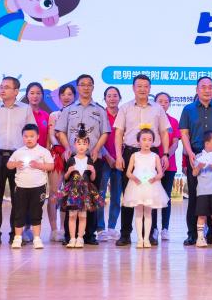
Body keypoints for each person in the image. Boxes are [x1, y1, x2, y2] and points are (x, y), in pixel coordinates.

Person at [111, 75, 170, 247]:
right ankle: (125, 234)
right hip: (131, 153)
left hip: (152, 154)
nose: (143, 89)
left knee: (151, 194)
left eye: (146, 86)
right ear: (133, 88)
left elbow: (164, 132)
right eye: (139, 86)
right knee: (129, 194)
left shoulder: (158, 109)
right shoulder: (125, 108)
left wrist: (165, 154)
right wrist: (119, 156)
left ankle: (149, 235)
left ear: (150, 88)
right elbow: (118, 133)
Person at [54, 75, 110, 245]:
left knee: (91, 196)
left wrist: (96, 149)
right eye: (82, 85)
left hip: (93, 158)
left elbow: (105, 132)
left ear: (93, 87)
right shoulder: (68, 109)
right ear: (78, 87)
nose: (86, 87)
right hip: (73, 158)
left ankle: (89, 235)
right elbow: (60, 131)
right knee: (72, 196)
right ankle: (69, 236)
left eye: (89, 85)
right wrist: (67, 147)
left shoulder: (100, 110)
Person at [0, 76, 36, 246]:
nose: (2, 90)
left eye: (6, 87)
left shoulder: (26, 109)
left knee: (18, 198)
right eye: (0, 87)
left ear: (16, 91)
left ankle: (15, 234)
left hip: (18, 157)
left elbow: (31, 132)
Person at [179, 76, 212, 246]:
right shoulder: (188, 109)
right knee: (195, 197)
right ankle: (193, 234)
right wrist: (189, 153)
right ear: (197, 90)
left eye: (210, 87)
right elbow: (184, 134)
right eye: (203, 87)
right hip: (196, 156)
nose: (207, 90)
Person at [6, 124, 54, 249]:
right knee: (19, 212)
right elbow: (9, 165)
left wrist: (38, 165)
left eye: (32, 136)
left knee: (36, 212)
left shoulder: (43, 151)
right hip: (21, 187)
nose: (29, 139)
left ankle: (37, 238)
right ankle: (17, 238)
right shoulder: (18, 152)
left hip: (38, 187)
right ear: (22, 137)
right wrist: (15, 164)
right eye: (26, 136)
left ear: (38, 136)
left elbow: (50, 166)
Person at [121, 129, 169, 248]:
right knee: (138, 213)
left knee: (148, 213)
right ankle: (139, 239)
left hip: (150, 187)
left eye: (149, 140)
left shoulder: (155, 156)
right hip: (137, 187)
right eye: (144, 139)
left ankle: (146, 239)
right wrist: (134, 178)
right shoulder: (134, 156)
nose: (147, 142)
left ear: (153, 141)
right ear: (138, 141)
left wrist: (155, 178)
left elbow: (160, 173)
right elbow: (128, 172)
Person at [58, 128, 105, 248]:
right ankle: (72, 238)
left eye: (84, 143)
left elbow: (93, 179)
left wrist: (93, 171)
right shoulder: (71, 160)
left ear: (88, 145)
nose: (81, 146)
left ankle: (80, 238)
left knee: (83, 216)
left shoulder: (89, 160)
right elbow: (66, 178)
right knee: (72, 215)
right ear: (74, 144)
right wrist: (69, 171)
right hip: (73, 192)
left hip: (85, 192)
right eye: (79, 143)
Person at [20, 82, 51, 243]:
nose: (35, 96)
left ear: (42, 96)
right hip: (25, 161)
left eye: (38, 93)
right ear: (27, 95)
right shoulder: (22, 113)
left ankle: (34, 228)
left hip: (40, 162)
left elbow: (48, 140)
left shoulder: (46, 116)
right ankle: (23, 229)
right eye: (32, 93)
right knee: (24, 197)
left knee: (38, 198)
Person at [45, 83, 75, 242]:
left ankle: (64, 229)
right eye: (63, 94)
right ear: (59, 97)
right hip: (57, 155)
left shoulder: (77, 114)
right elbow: (51, 134)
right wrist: (60, 148)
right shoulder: (54, 115)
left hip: (73, 156)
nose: (66, 97)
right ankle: (54, 229)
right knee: (54, 193)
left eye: (70, 94)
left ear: (74, 96)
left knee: (67, 194)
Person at [96, 86, 123, 239]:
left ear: (120, 98)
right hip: (103, 160)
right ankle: (100, 228)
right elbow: (97, 138)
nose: (112, 98)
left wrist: (119, 157)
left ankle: (112, 227)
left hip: (120, 161)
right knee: (100, 194)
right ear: (104, 98)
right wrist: (108, 157)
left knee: (116, 195)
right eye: (109, 96)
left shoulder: (124, 114)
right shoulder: (100, 115)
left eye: (115, 95)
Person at [191, 130, 212, 248]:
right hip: (203, 191)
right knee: (202, 215)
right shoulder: (198, 157)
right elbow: (194, 173)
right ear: (207, 143)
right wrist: (199, 166)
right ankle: (200, 238)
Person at [156, 92, 181, 241]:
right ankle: (153, 228)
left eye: (166, 102)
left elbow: (175, 143)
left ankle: (165, 228)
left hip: (169, 165)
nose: (163, 104)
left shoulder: (174, 121)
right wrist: (156, 160)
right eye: (160, 101)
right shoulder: (151, 120)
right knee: (152, 197)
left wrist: (165, 157)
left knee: (166, 197)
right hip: (151, 165)